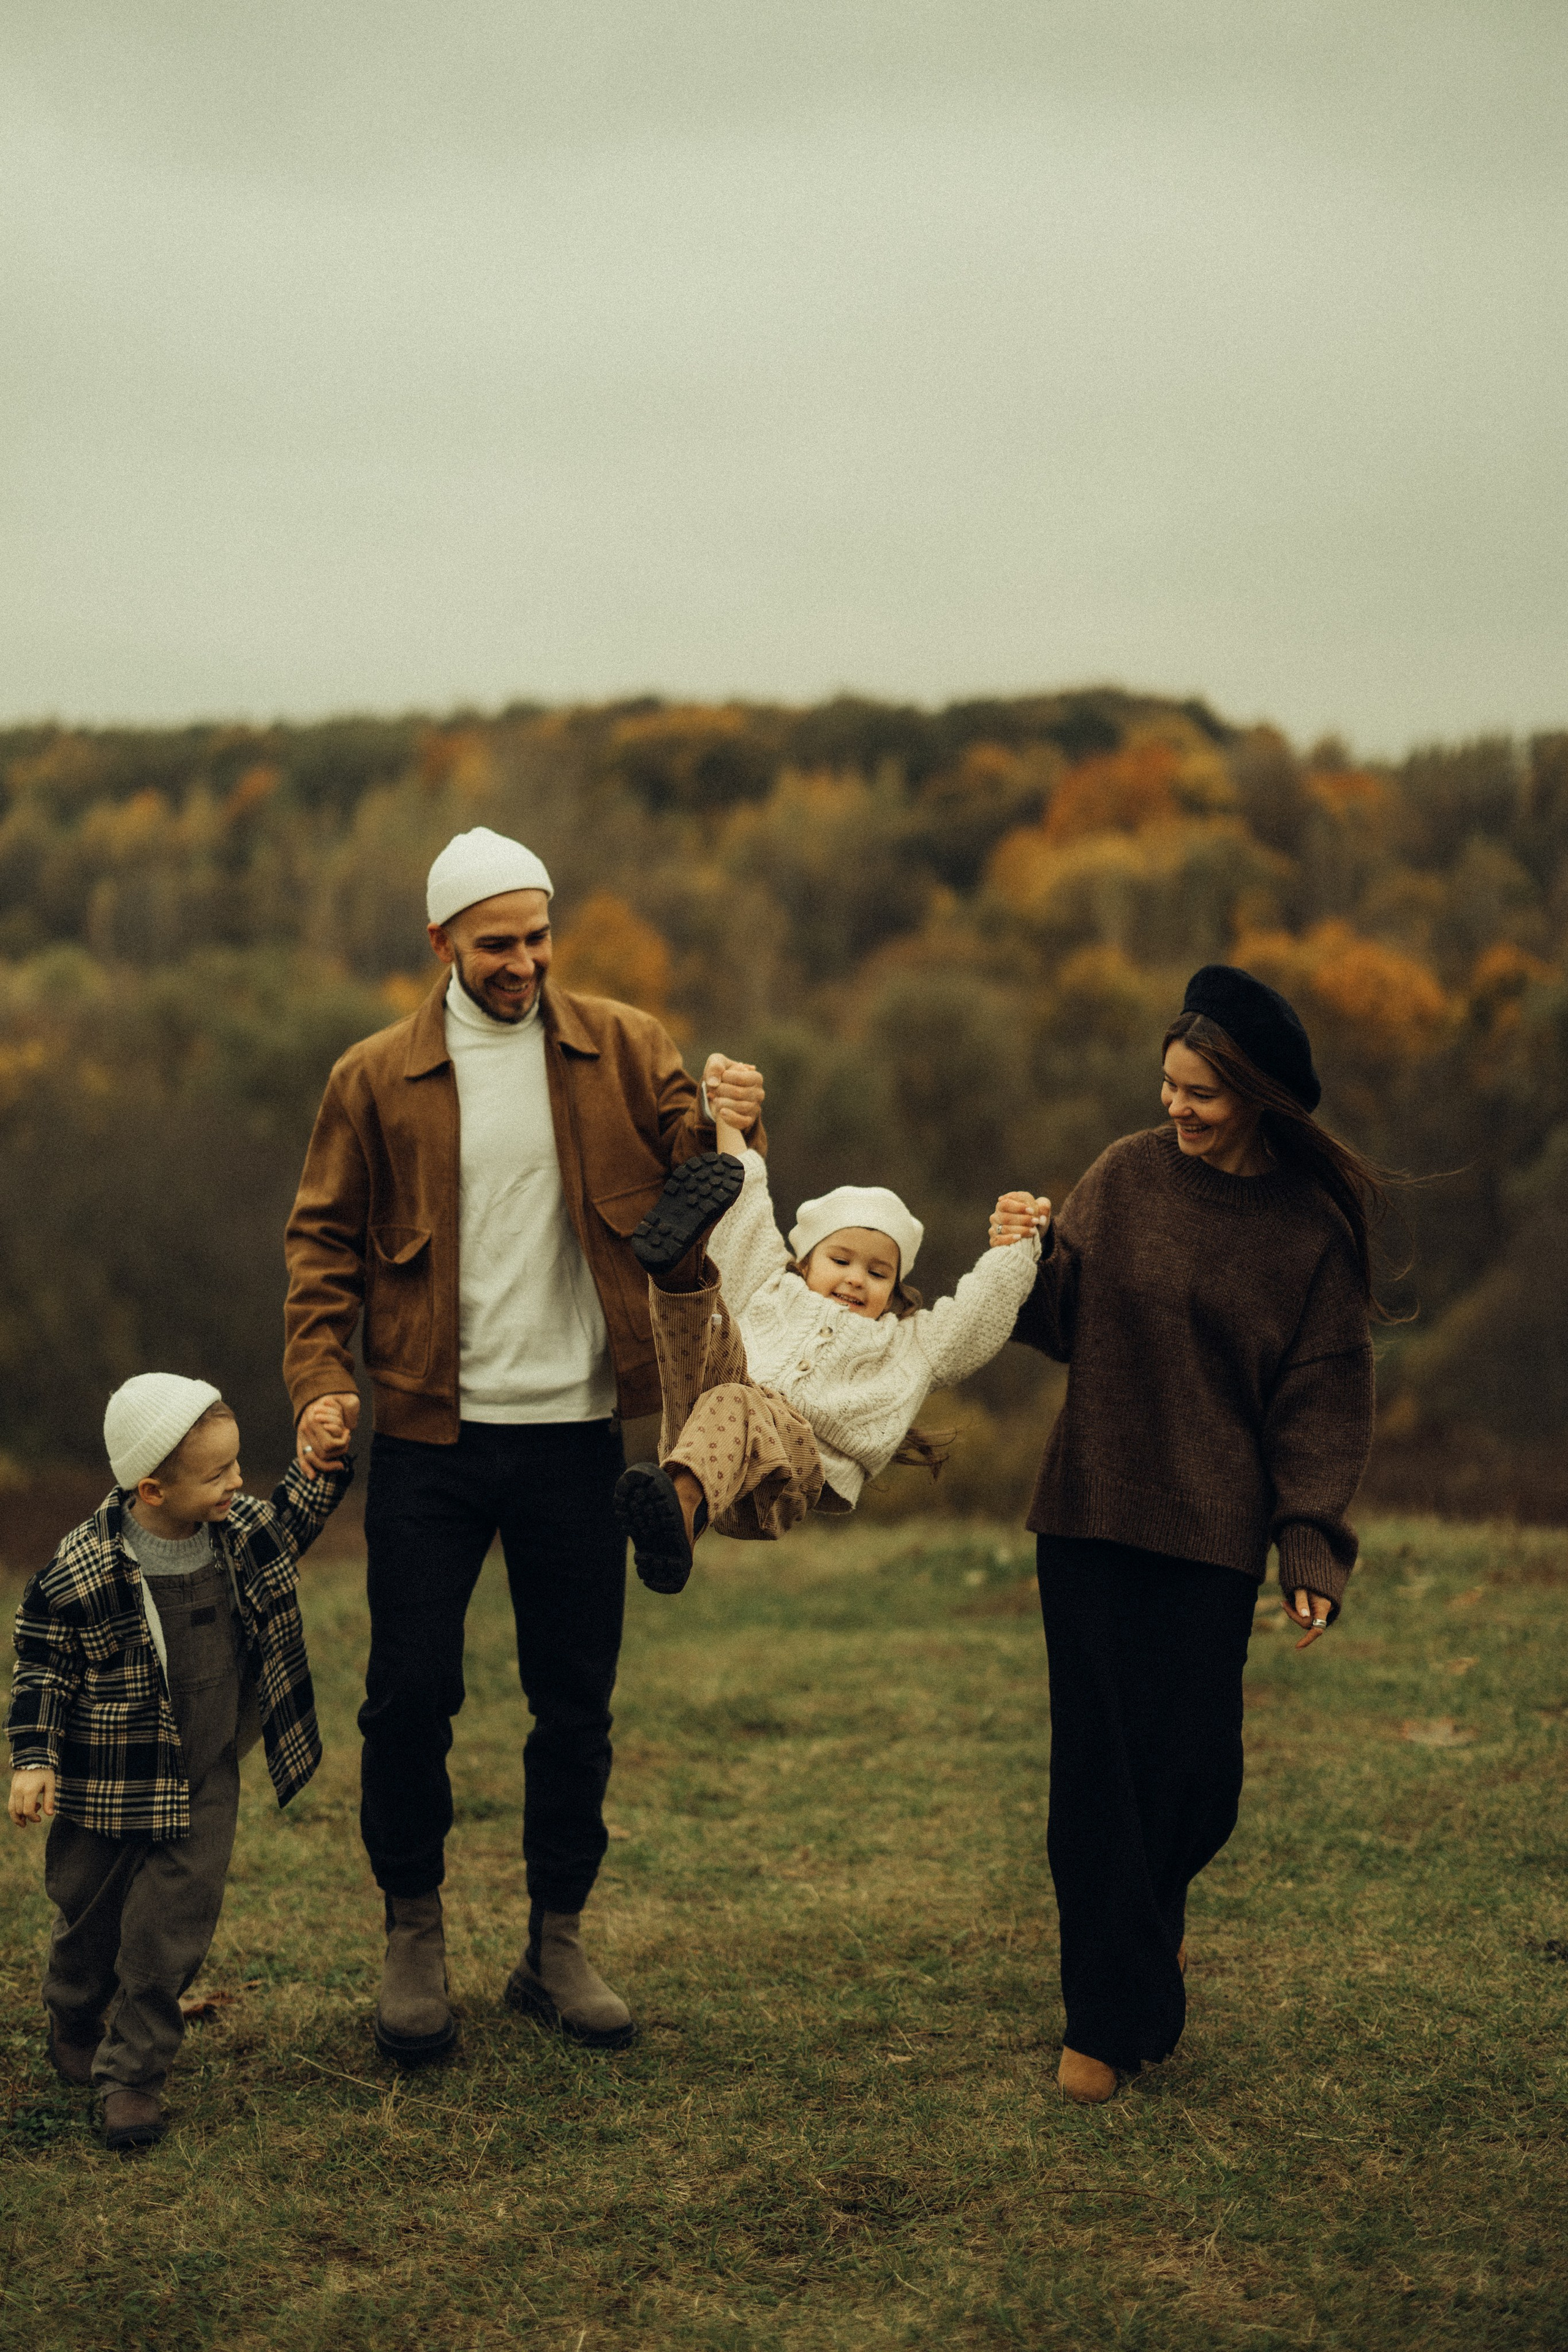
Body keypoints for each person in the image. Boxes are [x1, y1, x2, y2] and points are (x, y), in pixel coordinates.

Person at [283, 827, 763, 2065]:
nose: (523, 961)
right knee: (408, 1698)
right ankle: (413, 1937)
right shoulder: (372, 1077)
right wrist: (320, 1384)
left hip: (577, 1435)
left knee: (575, 1703)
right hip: (431, 1437)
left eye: (538, 937)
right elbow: (320, 1246)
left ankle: (555, 1943)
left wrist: (729, 1133)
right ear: (439, 943)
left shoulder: (624, 1046)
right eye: (497, 943)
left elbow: (694, 1171)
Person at [1012, 962, 1384, 2102]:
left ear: (1260, 1101)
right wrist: (1023, 1260)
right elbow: (1060, 1323)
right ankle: (1106, 2023)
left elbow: (1318, 1402)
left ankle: (1150, 1922)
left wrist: (1309, 1542)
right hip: (1090, 1515)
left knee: (1194, 1777)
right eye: (1169, 1084)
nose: (1175, 1107)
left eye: (1201, 1095)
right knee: (1098, 1774)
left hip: (1212, 1538)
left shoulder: (1308, 1236)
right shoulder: (1123, 1177)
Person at [6, 1374, 349, 2152]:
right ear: (152, 1488)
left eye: (238, 1467)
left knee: (170, 1932)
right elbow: (42, 1669)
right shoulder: (84, 1569)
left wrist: (320, 1458)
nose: (237, 1482)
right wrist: (34, 1759)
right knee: (87, 1909)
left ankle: (133, 2074)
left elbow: (292, 1516)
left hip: (203, 1777)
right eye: (219, 1474)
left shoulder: (240, 1530)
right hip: (108, 1782)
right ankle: (75, 2008)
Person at [611, 1087, 1044, 1588]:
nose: (858, 1278)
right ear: (805, 1261)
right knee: (706, 1329)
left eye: (879, 1273)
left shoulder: (910, 1345)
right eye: (841, 1261)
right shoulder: (771, 1285)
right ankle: (676, 1274)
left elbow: (979, 1312)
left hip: (783, 1473)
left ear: (896, 1288)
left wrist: (1020, 1245)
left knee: (735, 1395)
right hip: (696, 1435)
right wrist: (729, 1122)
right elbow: (746, 1206)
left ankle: (681, 1505)